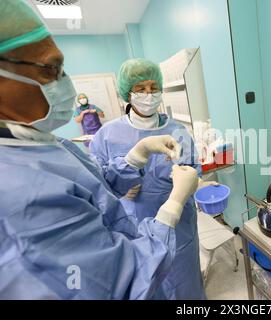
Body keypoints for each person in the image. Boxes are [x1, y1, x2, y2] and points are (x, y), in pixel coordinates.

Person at [0, 0, 199, 300]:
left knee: (185, 288)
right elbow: (124, 280)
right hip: (143, 236)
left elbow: (100, 185)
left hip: (171, 236)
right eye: (53, 68)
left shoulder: (48, 147)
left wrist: (136, 156)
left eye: (152, 88)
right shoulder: (21, 192)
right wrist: (171, 202)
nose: (63, 80)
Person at [90, 58, 212, 300]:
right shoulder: (106, 136)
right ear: (127, 92)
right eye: (140, 88)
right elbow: (97, 187)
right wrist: (118, 190)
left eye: (154, 88)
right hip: (135, 226)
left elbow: (192, 171)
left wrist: (190, 184)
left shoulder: (178, 132)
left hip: (180, 228)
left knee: (185, 287)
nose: (148, 94)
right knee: (149, 285)